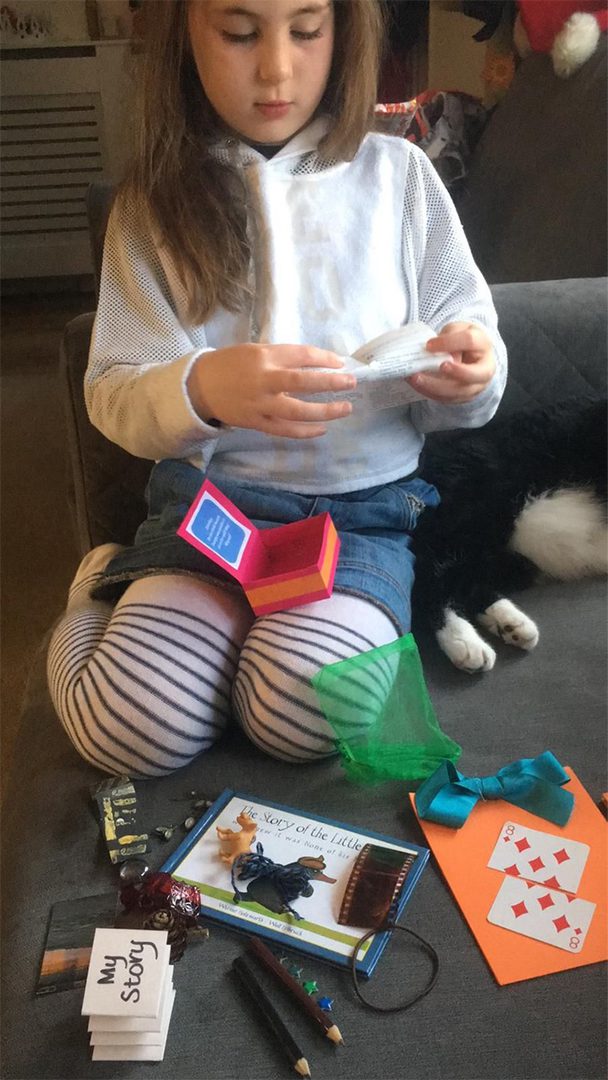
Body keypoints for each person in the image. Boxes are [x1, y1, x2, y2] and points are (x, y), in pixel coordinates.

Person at [47, 0, 506, 778]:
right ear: (183, 34)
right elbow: (113, 391)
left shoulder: (399, 179)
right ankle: (100, 582)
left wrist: (468, 372)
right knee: (129, 728)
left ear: (345, 31)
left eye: (306, 29)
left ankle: (238, 648)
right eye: (238, 32)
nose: (276, 68)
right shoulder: (152, 203)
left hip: (359, 521)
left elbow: (472, 336)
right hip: (211, 513)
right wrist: (201, 389)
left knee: (308, 714)